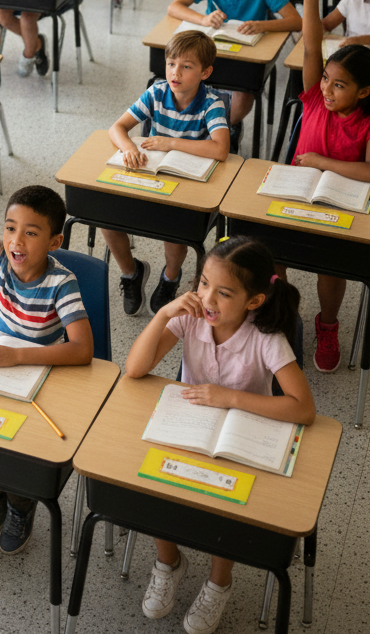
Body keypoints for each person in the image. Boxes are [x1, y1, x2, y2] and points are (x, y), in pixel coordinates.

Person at [124, 236, 315, 634]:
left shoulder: (266, 337)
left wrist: (229, 398)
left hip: (240, 437)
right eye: (204, 283)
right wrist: (164, 313)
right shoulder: (191, 316)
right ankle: (168, 561)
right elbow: (136, 369)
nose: (208, 299)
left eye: (224, 293)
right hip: (190, 428)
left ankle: (219, 581)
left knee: (223, 505)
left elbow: (303, 408)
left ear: (254, 301)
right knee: (153, 484)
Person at [0, 120, 93, 554]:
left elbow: (83, 349)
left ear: (54, 241)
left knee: (17, 450)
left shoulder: (61, 283)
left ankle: (20, 502)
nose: (16, 240)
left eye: (31, 233)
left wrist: (19, 357)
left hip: (36, 379)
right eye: (11, 228)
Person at [298, 0, 370, 372]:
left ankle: (328, 324)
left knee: (330, 266)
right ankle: (278, 310)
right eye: (326, 79)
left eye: (340, 85)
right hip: (298, 193)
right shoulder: (315, 98)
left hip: (342, 207)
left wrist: (320, 160)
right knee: (268, 250)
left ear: (364, 92)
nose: (327, 90)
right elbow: (311, 45)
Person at [101, 31, 229, 316]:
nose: (175, 72)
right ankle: (131, 273)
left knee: (175, 231)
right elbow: (117, 128)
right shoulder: (157, 92)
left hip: (186, 183)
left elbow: (221, 149)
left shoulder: (212, 103)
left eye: (186, 66)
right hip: (152, 175)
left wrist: (170, 142)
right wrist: (128, 148)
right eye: (171, 63)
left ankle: (170, 278)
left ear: (205, 72)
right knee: (106, 216)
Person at [168, 0, 300, 151]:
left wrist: (262, 25)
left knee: (243, 95)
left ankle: (224, 128)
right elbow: (175, 6)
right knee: (182, 77)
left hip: (247, 57)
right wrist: (203, 19)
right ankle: (205, 128)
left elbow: (296, 21)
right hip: (210, 52)